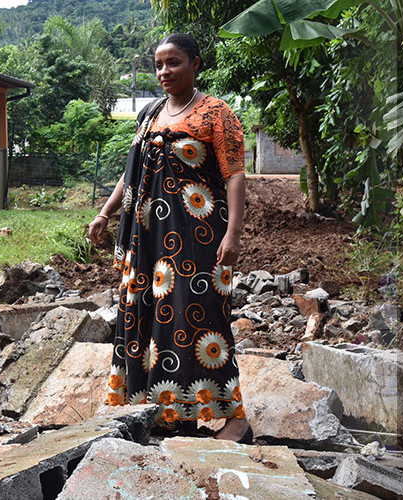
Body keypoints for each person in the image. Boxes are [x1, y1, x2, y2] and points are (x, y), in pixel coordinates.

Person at [89, 33, 250, 443]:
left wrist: (233, 234)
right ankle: (169, 416)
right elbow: (132, 175)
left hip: (197, 236)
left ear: (196, 64)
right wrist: (105, 213)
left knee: (200, 319)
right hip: (148, 240)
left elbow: (234, 175)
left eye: (174, 62)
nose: (164, 72)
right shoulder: (150, 113)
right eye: (159, 64)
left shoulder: (217, 113)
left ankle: (234, 418)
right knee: (150, 322)